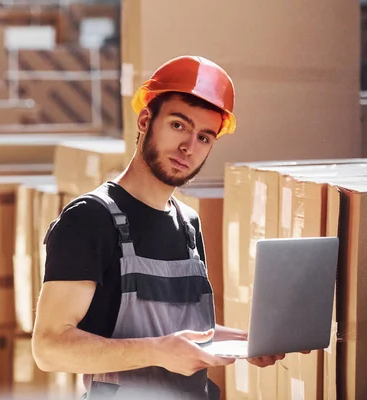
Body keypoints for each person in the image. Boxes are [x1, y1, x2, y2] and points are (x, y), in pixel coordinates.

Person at [31, 55, 301, 400]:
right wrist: (158, 351)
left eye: (204, 138)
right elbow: (49, 347)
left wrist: (245, 342)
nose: (189, 147)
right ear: (146, 120)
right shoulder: (89, 218)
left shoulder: (188, 224)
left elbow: (177, 337)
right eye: (178, 125)